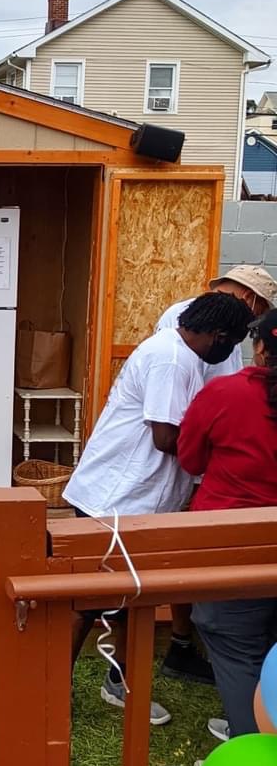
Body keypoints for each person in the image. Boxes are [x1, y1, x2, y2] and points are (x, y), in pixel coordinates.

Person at [63, 292, 254, 725]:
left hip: (138, 499)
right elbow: (166, 438)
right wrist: (220, 437)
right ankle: (51, 689)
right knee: (86, 604)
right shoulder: (171, 360)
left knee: (133, 598)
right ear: (218, 335)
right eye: (232, 343)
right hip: (114, 500)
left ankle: (120, 681)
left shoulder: (179, 353)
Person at [153, 266, 276, 683]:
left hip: (223, 494)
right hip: (216, 466)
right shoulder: (187, 328)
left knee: (225, 604)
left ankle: (194, 648)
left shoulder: (230, 387)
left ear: (259, 349)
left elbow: (189, 453)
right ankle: (183, 642)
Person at [178, 307, 277, 751]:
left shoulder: (225, 394)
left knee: (239, 653)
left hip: (235, 543)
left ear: (259, 348)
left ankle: (253, 753)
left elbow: (191, 459)